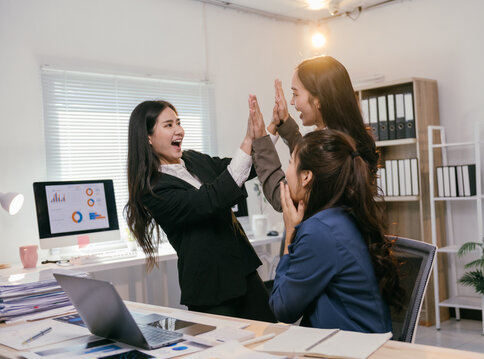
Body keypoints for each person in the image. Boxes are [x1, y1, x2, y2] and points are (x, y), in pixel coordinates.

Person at [124, 100, 275, 322]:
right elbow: (209, 200)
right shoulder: (153, 189)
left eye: (178, 122)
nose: (179, 131)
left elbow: (242, 168)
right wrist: (248, 139)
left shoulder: (192, 159)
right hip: (210, 289)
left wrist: (271, 129)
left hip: (243, 273)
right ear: (148, 137)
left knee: (270, 341)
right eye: (168, 125)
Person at [269, 129, 402, 332]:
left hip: (351, 349)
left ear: (306, 177)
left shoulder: (318, 231)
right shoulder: (342, 215)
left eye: (290, 162)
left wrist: (290, 234)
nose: (286, 174)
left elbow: (282, 308)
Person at [251, 55, 378, 211]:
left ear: (318, 99)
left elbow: (284, 197)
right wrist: (285, 124)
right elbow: (311, 160)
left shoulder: (329, 150)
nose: (292, 102)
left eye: (295, 94)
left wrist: (261, 142)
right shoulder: (350, 140)